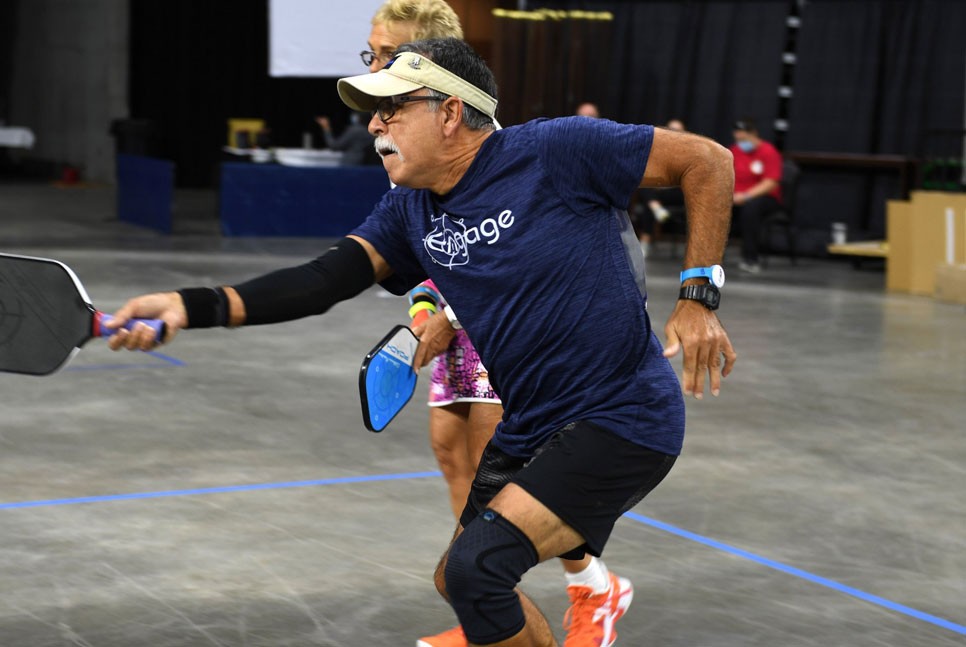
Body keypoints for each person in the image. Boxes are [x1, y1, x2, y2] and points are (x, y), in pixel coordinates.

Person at [107, 38, 736, 647]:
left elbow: (706, 161)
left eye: (392, 108)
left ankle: (594, 595)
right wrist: (190, 306)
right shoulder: (408, 211)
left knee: (477, 570)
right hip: (532, 427)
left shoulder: (552, 150)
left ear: (451, 113)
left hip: (621, 415)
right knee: (456, 578)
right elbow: (320, 282)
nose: (377, 125)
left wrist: (697, 296)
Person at [360, 5, 619, 645]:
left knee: (497, 471)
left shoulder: (488, 140)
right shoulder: (400, 128)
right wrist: (426, 307)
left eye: (385, 54)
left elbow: (501, 255)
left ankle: (593, 586)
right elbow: (430, 246)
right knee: (451, 455)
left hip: (504, 334)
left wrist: (448, 313)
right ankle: (482, 613)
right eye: (370, 55)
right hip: (453, 327)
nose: (373, 68)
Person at [729, 119, 783, 273]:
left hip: (764, 198)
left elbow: (771, 182)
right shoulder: (733, 151)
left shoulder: (768, 151)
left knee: (751, 208)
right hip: (735, 196)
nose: (741, 142)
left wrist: (746, 196)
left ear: (754, 134)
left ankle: (750, 259)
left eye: (744, 139)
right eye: (738, 139)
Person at [634, 118, 687, 256]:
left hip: (677, 191)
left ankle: (645, 241)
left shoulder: (687, 152)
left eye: (677, 131)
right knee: (644, 187)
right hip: (657, 189)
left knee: (650, 199)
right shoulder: (656, 150)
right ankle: (655, 207)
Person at [314, 112, 380, 165]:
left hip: (350, 165)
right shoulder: (370, 132)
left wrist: (326, 128)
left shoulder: (355, 130)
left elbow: (334, 145)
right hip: (366, 164)